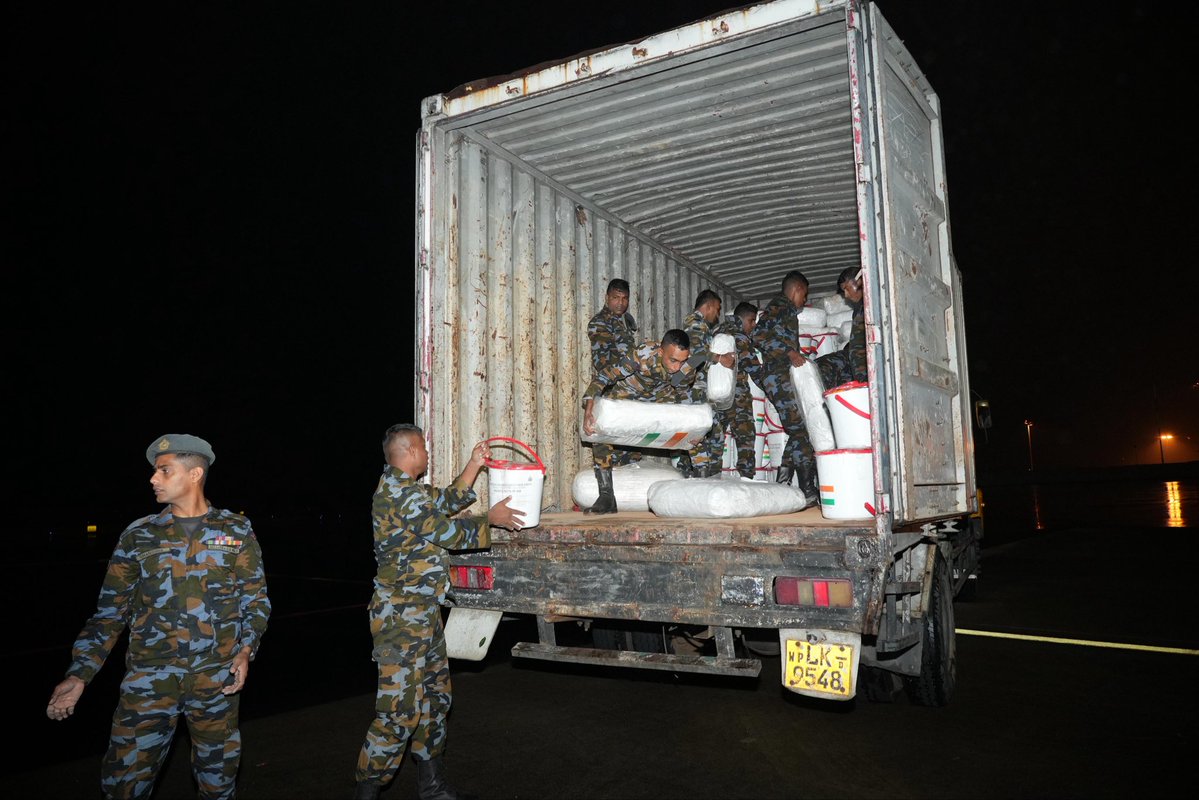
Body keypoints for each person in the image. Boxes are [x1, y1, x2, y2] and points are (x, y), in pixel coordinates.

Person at [46, 433, 271, 800]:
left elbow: (255, 601)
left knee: (218, 787)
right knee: (123, 786)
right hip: (148, 683)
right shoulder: (138, 536)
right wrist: (79, 674)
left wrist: (246, 649)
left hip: (216, 682)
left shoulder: (235, 531)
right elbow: (109, 613)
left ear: (195, 474)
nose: (153, 479)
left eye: (164, 471)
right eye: (154, 471)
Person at [354, 425, 525, 800]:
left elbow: (447, 500)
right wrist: (489, 520)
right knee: (398, 712)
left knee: (434, 700)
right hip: (401, 617)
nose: (428, 453)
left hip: (423, 613)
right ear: (411, 451)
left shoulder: (411, 490)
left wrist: (474, 464)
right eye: (425, 447)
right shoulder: (398, 494)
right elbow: (448, 533)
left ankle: (432, 788)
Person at [581, 329, 697, 513]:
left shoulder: (687, 367)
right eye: (673, 360)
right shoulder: (643, 354)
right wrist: (589, 408)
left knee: (693, 429)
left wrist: (692, 431)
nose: (677, 367)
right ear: (661, 352)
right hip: (629, 393)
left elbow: (684, 398)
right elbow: (606, 376)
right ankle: (606, 497)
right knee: (600, 426)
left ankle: (691, 485)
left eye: (682, 361)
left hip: (660, 398)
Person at [752, 270, 819, 500]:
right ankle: (807, 489)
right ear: (797, 289)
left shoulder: (786, 309)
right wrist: (790, 352)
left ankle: (783, 482)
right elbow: (758, 335)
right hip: (777, 376)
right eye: (804, 295)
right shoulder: (779, 305)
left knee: (798, 428)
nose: (804, 300)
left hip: (782, 376)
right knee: (800, 430)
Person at [586, 278, 642, 468]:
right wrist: (632, 368)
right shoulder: (600, 322)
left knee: (630, 444)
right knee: (609, 442)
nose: (620, 303)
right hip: (611, 390)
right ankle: (606, 478)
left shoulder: (624, 322)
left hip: (628, 390)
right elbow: (603, 362)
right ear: (607, 298)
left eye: (624, 298)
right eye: (616, 298)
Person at [682, 289, 736, 477]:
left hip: (699, 390)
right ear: (709, 306)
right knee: (706, 434)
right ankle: (703, 476)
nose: (718, 314)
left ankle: (702, 475)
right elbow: (696, 355)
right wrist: (720, 358)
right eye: (718, 309)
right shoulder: (696, 324)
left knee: (711, 434)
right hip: (695, 390)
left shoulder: (700, 326)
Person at [713, 301, 761, 479]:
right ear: (741, 319)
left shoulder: (716, 332)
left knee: (714, 441)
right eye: (751, 320)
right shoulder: (741, 338)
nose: (753, 325)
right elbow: (756, 371)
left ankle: (710, 477)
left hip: (716, 397)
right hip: (737, 399)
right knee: (745, 439)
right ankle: (746, 478)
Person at [816, 266, 868, 387]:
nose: (846, 295)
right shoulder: (860, 308)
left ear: (859, 281)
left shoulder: (871, 306)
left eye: (847, 289)